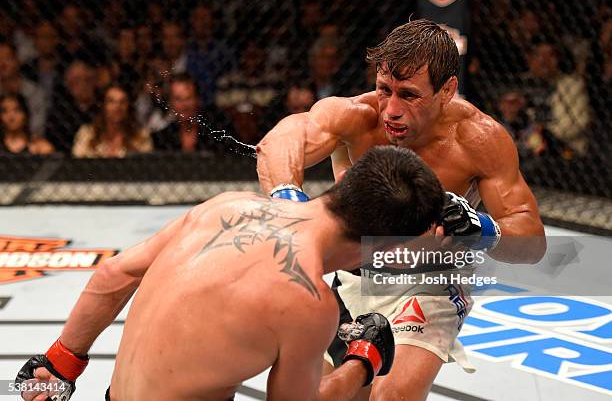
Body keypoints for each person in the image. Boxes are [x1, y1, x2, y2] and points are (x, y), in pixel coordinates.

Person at [256, 19, 546, 400]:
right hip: (354, 275)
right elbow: (283, 139)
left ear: (447, 90)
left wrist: (481, 227)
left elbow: (532, 240)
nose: (390, 109)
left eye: (409, 95)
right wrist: (289, 203)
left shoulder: (478, 139)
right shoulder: (358, 116)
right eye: (384, 90)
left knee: (390, 396)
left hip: (431, 283)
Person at [16, 146, 445, 400]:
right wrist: (362, 361)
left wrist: (60, 363)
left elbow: (114, 274)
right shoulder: (308, 303)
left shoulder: (228, 206)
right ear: (386, 245)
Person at [72, 84, 152, 158]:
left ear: (128, 107)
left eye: (122, 102)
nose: (117, 107)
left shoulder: (141, 136)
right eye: (111, 101)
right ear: (103, 106)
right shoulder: (87, 134)